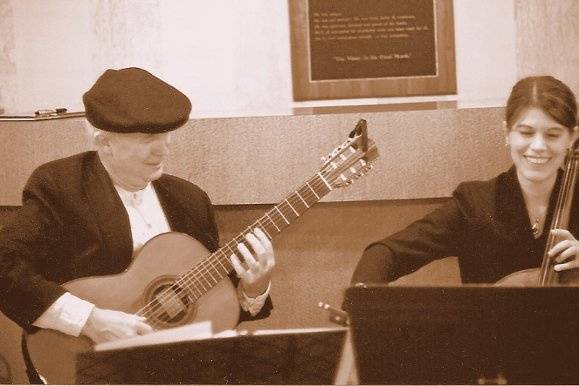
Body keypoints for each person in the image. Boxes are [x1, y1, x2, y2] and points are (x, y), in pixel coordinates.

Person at [0, 67, 275, 379]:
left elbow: (212, 308)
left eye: (166, 135)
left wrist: (254, 288)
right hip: (81, 366)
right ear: (105, 143)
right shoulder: (60, 186)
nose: (163, 148)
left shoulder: (189, 200)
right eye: (148, 138)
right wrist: (91, 321)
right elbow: (4, 266)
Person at [351, 75, 579, 285]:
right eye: (526, 133)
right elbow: (386, 253)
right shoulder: (476, 204)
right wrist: (360, 308)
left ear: (572, 137)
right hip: (490, 330)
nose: (538, 146)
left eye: (553, 135)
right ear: (507, 133)